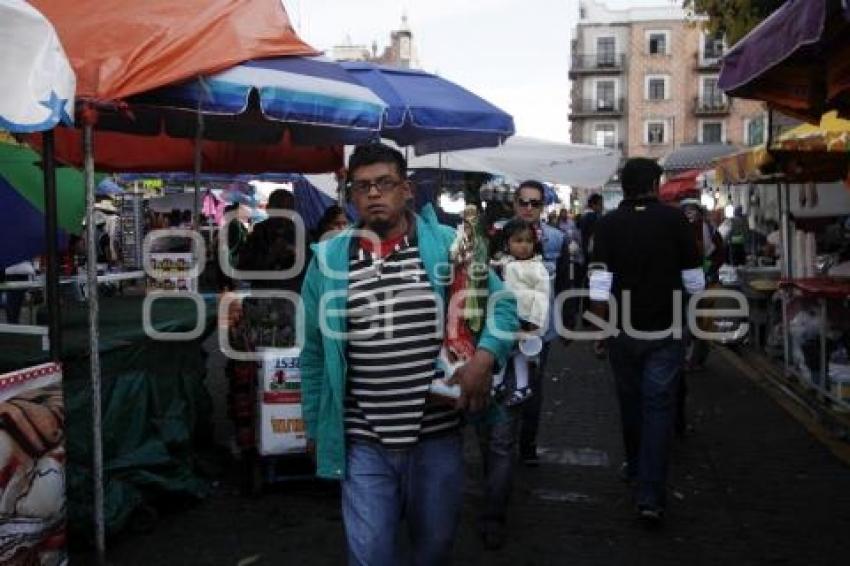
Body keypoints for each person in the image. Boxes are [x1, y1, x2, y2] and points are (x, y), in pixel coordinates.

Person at [299, 142, 517, 564]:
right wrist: (314, 423)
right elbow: (312, 353)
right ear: (351, 195)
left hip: (435, 437)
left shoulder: (449, 245)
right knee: (370, 555)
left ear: (407, 189)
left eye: (385, 183)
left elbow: (503, 305)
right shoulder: (328, 260)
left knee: (433, 548)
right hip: (363, 439)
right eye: (363, 187)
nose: (374, 194)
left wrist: (485, 358)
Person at [589, 158, 704, 523]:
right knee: (658, 408)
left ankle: (636, 466)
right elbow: (694, 280)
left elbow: (598, 284)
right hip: (665, 331)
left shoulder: (607, 225)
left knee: (630, 402)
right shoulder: (675, 220)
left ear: (622, 186)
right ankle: (650, 494)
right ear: (655, 185)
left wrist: (598, 328)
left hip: (622, 330)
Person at [507, 180, 571, 466]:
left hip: (540, 328)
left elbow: (568, 283)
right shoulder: (500, 233)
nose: (529, 208)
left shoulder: (556, 238)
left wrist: (568, 321)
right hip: (504, 326)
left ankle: (527, 444)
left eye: (535, 203)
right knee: (504, 381)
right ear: (515, 203)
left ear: (543, 206)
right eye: (524, 202)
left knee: (533, 385)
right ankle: (502, 441)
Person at [490, 219, 549, 406]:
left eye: (528, 241)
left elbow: (542, 295)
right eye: (518, 241)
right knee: (502, 349)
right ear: (507, 242)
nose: (524, 246)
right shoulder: (504, 262)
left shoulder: (537, 267)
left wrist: (535, 319)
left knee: (520, 352)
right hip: (504, 315)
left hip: (524, 317)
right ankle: (497, 384)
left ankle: (522, 387)